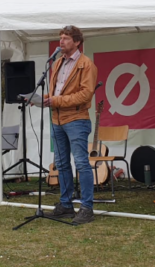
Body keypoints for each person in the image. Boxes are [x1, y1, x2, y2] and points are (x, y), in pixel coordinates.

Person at [42, 25, 98, 225]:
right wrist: (40, 98)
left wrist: (55, 101)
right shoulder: (56, 63)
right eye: (61, 37)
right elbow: (55, 91)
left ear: (77, 42)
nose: (62, 41)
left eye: (66, 38)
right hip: (57, 119)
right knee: (62, 163)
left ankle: (86, 208)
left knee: (82, 163)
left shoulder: (86, 64)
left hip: (76, 120)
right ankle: (66, 204)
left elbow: (85, 94)